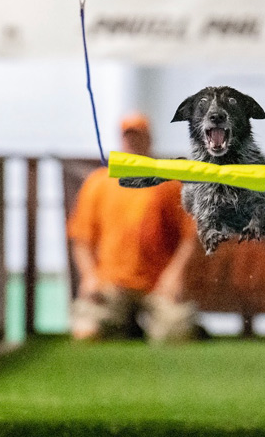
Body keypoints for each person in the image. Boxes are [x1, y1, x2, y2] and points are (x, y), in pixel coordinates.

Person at [67, 112, 204, 343]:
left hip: (156, 285)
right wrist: (89, 277)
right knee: (86, 331)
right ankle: (125, 325)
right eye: (128, 136)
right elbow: (81, 240)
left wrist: (174, 276)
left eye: (139, 136)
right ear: (121, 140)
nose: (133, 142)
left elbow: (191, 236)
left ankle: (155, 324)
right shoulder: (99, 182)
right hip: (111, 283)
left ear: (150, 139)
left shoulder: (169, 182)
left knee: (176, 333)